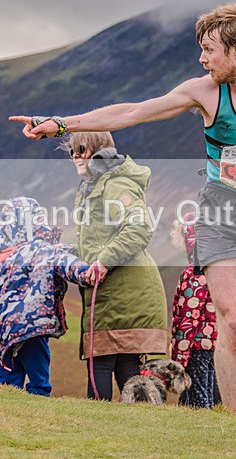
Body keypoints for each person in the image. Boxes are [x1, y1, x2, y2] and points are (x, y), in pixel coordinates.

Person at [10, 1, 236, 415]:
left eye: (209, 50)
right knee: (234, 321)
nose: (202, 59)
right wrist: (62, 123)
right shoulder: (203, 92)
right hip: (218, 222)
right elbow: (132, 113)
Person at [65, 132, 168, 401]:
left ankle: (96, 427)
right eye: (72, 151)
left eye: (82, 149)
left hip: (123, 292)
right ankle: (135, 430)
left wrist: (103, 262)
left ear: (99, 150)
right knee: (126, 366)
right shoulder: (97, 186)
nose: (76, 157)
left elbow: (139, 228)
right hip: (119, 291)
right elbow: (101, 239)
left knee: (100, 360)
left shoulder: (116, 186)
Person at [0, 197, 95, 397]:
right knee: (38, 381)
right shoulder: (45, 250)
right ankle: (38, 405)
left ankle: (7, 415)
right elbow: (67, 263)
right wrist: (86, 273)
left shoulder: (5, 260)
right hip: (33, 327)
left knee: (7, 384)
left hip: (5, 331)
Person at [170, 212, 220, 408]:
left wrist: (179, 356)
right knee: (208, 391)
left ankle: (203, 430)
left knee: (198, 398)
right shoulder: (218, 271)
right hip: (212, 344)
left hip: (196, 346)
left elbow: (188, 319)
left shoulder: (194, 274)